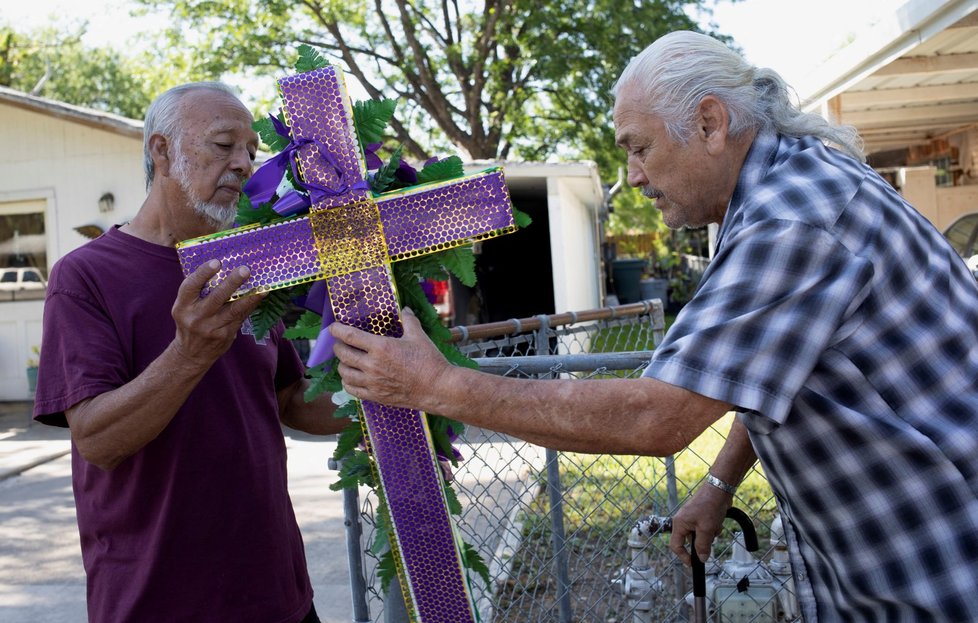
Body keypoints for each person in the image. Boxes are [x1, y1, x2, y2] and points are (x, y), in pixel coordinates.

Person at [329, 30, 978, 621]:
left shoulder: (793, 216)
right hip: (891, 556)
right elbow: (769, 368)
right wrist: (721, 481)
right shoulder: (777, 185)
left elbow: (656, 416)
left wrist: (439, 386)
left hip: (939, 568)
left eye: (639, 148)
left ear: (709, 122)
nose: (633, 175)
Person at [33, 82, 345, 623]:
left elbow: (292, 400)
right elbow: (98, 440)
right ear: (161, 151)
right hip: (159, 601)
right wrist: (190, 354)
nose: (245, 163)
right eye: (224, 145)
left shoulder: (247, 264)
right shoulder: (84, 277)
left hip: (279, 596)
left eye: (251, 149)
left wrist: (402, 393)